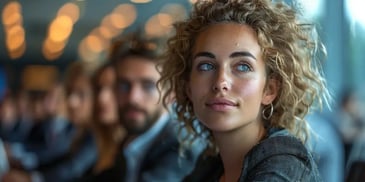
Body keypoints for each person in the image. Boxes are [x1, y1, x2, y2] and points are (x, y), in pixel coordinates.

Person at [158, 0, 330, 181]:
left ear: (269, 90)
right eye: (206, 66)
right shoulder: (210, 167)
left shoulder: (283, 168)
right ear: (188, 88)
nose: (221, 82)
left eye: (242, 67)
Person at [111, 33, 204, 182]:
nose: (132, 97)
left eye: (147, 86)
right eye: (124, 85)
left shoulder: (181, 148)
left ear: (171, 94)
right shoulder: (132, 140)